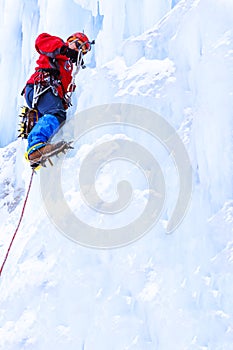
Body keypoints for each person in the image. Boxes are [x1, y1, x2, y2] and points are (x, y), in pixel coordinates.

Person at [23, 32, 93, 167]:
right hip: (40, 87)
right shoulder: (57, 47)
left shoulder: (68, 67)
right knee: (56, 114)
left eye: (83, 51)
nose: (79, 51)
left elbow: (63, 88)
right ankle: (35, 147)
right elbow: (41, 41)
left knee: (56, 117)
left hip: (49, 93)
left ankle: (39, 153)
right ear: (70, 41)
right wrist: (64, 50)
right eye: (78, 46)